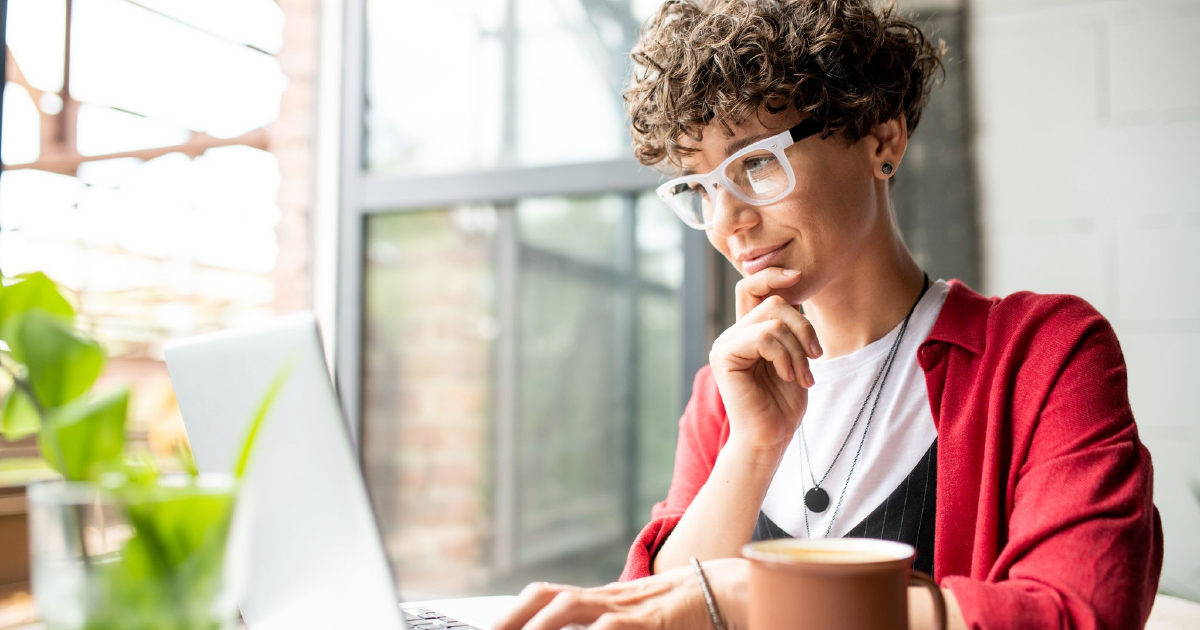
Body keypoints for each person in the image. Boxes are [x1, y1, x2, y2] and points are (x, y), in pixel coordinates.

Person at [495, 0, 1163, 628]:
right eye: (700, 186)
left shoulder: (1044, 354)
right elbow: (655, 611)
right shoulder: (724, 395)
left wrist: (765, 600)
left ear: (882, 139)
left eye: (756, 163)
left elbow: (1078, 611)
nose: (728, 224)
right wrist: (751, 448)